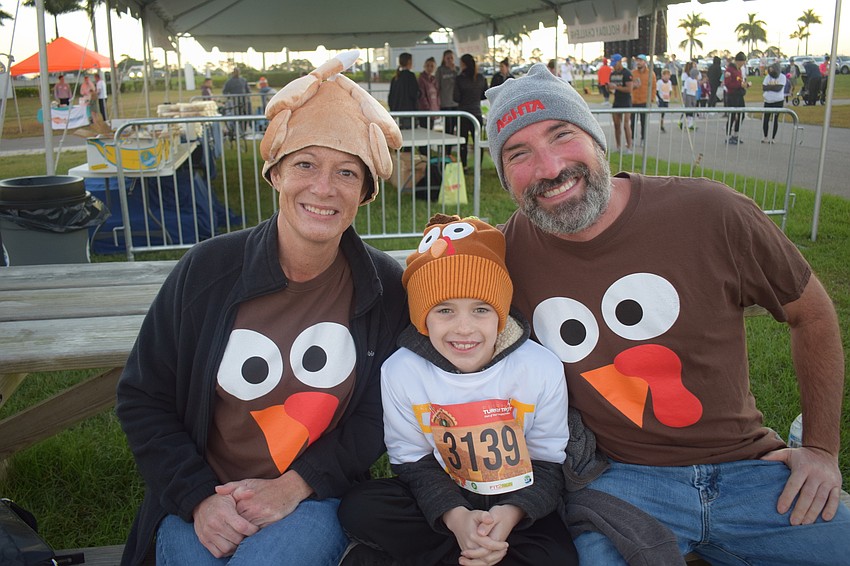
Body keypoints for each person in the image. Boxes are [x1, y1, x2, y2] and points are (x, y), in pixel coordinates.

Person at [485, 61, 850, 566]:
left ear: (597, 139)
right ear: (505, 178)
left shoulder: (711, 212)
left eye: (562, 135)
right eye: (518, 154)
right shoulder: (505, 256)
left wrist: (822, 450)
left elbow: (811, 314)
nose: (548, 168)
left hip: (750, 469)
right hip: (620, 482)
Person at [115, 50, 408, 566]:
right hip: (203, 495)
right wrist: (197, 497)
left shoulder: (384, 288)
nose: (323, 188)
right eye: (305, 164)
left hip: (314, 498)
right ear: (274, 173)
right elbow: (144, 396)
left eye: (346, 172)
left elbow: (378, 414)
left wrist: (296, 486)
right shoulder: (206, 270)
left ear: (365, 193)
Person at [338, 214, 578, 566]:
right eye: (445, 310)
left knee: (557, 558)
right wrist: (455, 516)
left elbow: (547, 462)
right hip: (442, 495)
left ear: (500, 314)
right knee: (360, 508)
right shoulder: (401, 371)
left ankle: (458, 553)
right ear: (423, 318)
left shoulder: (540, 367)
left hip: (513, 499)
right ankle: (478, 553)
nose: (464, 328)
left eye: (481, 309)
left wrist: (509, 515)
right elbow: (412, 461)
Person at [453, 53, 487, 169]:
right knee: (478, 141)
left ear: (463, 64)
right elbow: (484, 94)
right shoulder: (480, 78)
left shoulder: (460, 79)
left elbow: (455, 97)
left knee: (463, 140)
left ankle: (464, 165)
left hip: (463, 113)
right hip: (477, 112)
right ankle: (478, 166)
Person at [608, 53, 633, 154]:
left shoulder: (627, 73)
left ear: (620, 62)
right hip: (616, 101)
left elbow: (629, 89)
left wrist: (616, 87)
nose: (614, 66)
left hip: (626, 102)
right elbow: (611, 90)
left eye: (615, 64)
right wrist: (609, 88)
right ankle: (618, 146)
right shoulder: (612, 74)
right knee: (616, 125)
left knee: (626, 125)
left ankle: (629, 147)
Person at [388, 52, 420, 131]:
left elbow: (391, 96)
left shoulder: (395, 78)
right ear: (409, 61)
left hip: (396, 111)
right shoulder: (411, 76)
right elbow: (414, 93)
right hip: (409, 111)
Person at [724, 52, 750, 145]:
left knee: (741, 115)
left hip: (739, 95)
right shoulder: (729, 70)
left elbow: (739, 81)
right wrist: (739, 85)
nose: (743, 64)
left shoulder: (739, 70)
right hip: (732, 95)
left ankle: (736, 134)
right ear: (738, 61)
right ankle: (728, 136)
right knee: (732, 116)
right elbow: (728, 84)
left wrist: (745, 85)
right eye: (743, 61)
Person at [629, 54, 655, 147]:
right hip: (634, 101)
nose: (638, 62)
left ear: (645, 62)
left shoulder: (651, 74)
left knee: (644, 122)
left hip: (645, 101)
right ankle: (632, 138)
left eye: (640, 60)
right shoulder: (633, 73)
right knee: (632, 122)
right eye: (637, 60)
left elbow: (653, 88)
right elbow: (629, 85)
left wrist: (651, 99)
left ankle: (643, 138)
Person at [762, 62, 786, 144]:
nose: (771, 71)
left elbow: (778, 88)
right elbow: (764, 87)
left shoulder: (782, 77)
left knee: (775, 119)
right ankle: (765, 137)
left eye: (772, 70)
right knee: (766, 119)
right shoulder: (767, 77)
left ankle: (773, 138)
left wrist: (769, 87)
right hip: (768, 101)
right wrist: (772, 87)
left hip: (778, 101)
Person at [436, 50, 459, 136]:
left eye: (451, 58)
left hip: (456, 102)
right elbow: (437, 85)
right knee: (448, 125)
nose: (450, 60)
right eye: (448, 58)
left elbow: (461, 81)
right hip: (445, 102)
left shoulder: (457, 69)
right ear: (444, 59)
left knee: (457, 124)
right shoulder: (440, 70)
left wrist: (454, 70)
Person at [418, 56, 440, 128]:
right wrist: (427, 108)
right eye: (427, 66)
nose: (429, 68)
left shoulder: (434, 80)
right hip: (425, 110)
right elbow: (422, 95)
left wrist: (437, 107)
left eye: (432, 66)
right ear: (424, 66)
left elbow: (437, 95)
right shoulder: (421, 79)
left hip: (433, 109)